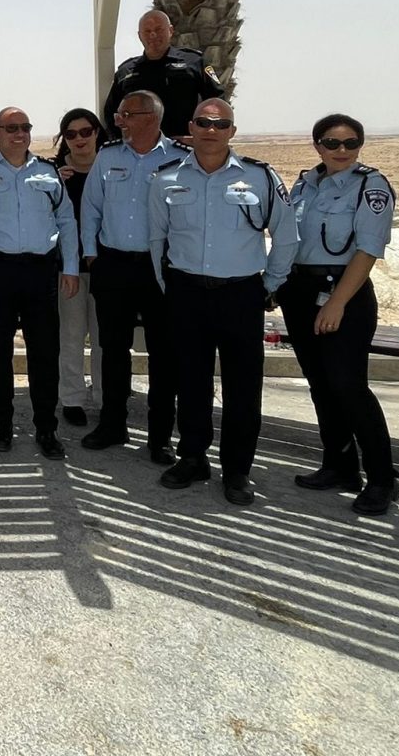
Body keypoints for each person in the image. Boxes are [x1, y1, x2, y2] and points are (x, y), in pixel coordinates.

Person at [148, 99, 296, 506]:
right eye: (203, 122)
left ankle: (237, 470)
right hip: (187, 292)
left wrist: (269, 285)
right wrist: (168, 285)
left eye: (220, 124)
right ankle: (192, 457)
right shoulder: (166, 178)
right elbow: (157, 238)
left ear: (232, 130)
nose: (211, 130)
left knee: (242, 387)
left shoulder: (260, 177)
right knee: (190, 381)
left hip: (241, 294)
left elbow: (286, 237)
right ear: (191, 127)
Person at [282, 114, 399, 515]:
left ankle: (382, 478)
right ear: (317, 145)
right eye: (332, 143)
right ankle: (340, 465)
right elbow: (290, 240)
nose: (342, 151)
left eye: (351, 143)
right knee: (321, 385)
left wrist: (337, 303)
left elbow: (367, 250)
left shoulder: (370, 186)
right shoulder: (304, 184)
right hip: (300, 292)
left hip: (343, 293)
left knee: (349, 387)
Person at [0, 107, 79, 460]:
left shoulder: (47, 172)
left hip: (41, 272)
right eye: (11, 128)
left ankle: (46, 427)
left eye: (25, 127)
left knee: (45, 352)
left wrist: (70, 267)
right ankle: (3, 422)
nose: (19, 133)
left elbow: (66, 221)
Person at [79, 90, 179, 462]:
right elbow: (90, 208)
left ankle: (160, 436)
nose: (118, 120)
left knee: (163, 353)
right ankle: (112, 424)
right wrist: (92, 255)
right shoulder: (108, 157)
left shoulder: (179, 158)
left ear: (150, 117)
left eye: (126, 114)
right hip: (114, 265)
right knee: (112, 350)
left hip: (160, 269)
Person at [51, 107, 107, 429]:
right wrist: (53, 185)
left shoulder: (110, 169)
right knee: (70, 336)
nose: (79, 139)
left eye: (86, 132)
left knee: (104, 340)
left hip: (105, 268)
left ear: (97, 132)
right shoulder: (57, 175)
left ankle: (104, 398)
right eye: (71, 134)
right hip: (68, 269)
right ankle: (72, 399)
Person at [101, 10, 222, 140]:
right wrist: (122, 141)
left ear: (170, 31)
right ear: (140, 36)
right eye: (147, 31)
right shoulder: (126, 71)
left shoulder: (194, 62)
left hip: (183, 145)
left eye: (159, 29)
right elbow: (111, 113)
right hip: (139, 147)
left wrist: (201, 135)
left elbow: (217, 100)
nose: (153, 35)